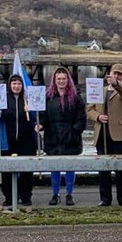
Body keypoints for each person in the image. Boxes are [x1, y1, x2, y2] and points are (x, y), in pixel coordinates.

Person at [89, 64, 122, 207]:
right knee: (104, 169)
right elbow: (89, 109)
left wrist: (117, 84)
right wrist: (98, 117)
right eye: (115, 73)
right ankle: (105, 198)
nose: (117, 76)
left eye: (120, 74)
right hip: (102, 134)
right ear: (109, 74)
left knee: (121, 170)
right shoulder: (98, 90)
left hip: (121, 135)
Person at [0, 73, 41, 208]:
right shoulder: (3, 100)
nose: (16, 86)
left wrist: (33, 113)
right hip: (8, 140)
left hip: (26, 140)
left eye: (19, 83)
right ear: (10, 85)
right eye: (14, 83)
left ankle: (26, 196)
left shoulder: (28, 99)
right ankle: (9, 197)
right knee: (7, 171)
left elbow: (36, 118)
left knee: (27, 171)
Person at [43, 67, 86, 206]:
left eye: (63, 79)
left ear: (68, 80)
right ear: (54, 81)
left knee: (69, 167)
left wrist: (74, 132)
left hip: (70, 137)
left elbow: (81, 119)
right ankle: (55, 193)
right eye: (59, 79)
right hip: (53, 137)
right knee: (54, 167)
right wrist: (40, 125)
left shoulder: (76, 98)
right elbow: (43, 117)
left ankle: (69, 194)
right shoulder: (48, 97)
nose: (61, 81)